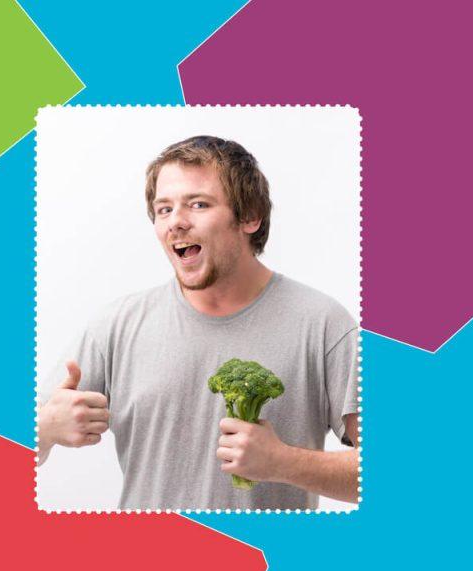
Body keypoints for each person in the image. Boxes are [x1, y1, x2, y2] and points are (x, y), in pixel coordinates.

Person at [38, 135, 359, 510]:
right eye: (164, 209)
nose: (176, 222)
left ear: (250, 216)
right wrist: (45, 427)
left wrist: (283, 462)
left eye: (198, 204)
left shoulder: (323, 325)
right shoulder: (117, 326)